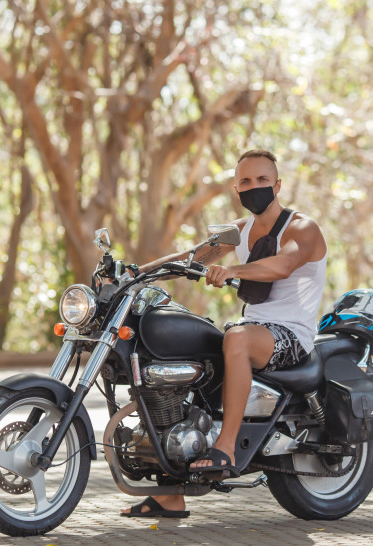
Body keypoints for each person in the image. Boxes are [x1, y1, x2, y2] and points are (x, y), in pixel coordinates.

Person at [121, 149, 328, 518]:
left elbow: (284, 264)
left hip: (291, 335)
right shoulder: (240, 230)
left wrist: (234, 270)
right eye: (246, 182)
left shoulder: (302, 227)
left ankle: (227, 447)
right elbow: (192, 257)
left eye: (263, 180)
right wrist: (133, 274)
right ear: (237, 189)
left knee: (236, 337)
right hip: (254, 330)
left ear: (278, 185)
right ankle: (172, 490)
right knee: (188, 353)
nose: (254, 187)